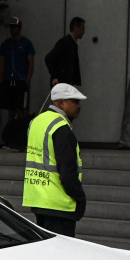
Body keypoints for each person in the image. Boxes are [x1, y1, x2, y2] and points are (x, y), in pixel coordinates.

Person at [22, 83, 88, 237]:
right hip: (59, 205)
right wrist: (80, 198)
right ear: (61, 103)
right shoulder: (61, 128)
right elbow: (67, 173)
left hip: (39, 201)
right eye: (75, 101)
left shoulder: (36, 122)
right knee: (61, 256)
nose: (79, 106)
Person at [0, 17, 35, 123]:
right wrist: (1, 80)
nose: (12, 30)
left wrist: (27, 80)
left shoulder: (26, 43)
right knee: (10, 107)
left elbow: (31, 63)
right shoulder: (5, 45)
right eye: (11, 27)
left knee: (22, 107)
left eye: (15, 27)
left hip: (21, 80)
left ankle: (20, 128)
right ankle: (11, 128)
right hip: (8, 79)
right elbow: (2, 64)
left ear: (19, 28)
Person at [44, 17, 85, 87]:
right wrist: (54, 76)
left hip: (66, 84)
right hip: (61, 83)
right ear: (76, 28)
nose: (83, 31)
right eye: (82, 28)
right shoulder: (65, 42)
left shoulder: (72, 44)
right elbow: (48, 58)